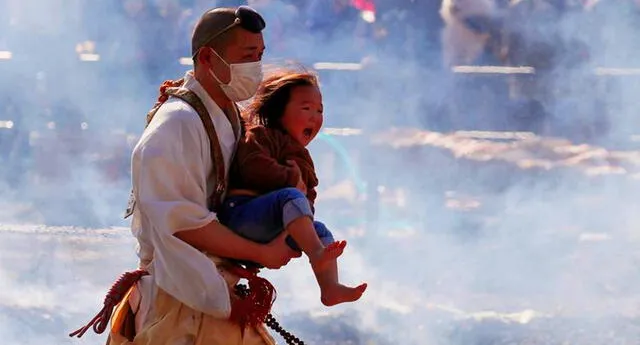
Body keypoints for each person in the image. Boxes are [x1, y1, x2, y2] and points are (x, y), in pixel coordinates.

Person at [70, 6, 302, 345]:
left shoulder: (230, 117)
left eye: (260, 55)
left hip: (215, 291)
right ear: (208, 57)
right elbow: (183, 223)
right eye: (247, 56)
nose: (256, 67)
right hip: (178, 301)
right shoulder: (176, 123)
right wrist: (261, 253)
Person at [219, 71, 367, 307]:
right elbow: (252, 166)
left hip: (274, 228)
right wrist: (290, 179)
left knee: (320, 231)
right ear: (279, 111)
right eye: (306, 109)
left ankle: (329, 287)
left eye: (320, 111)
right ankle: (317, 254)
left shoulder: (303, 158)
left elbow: (308, 198)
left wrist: (302, 201)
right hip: (242, 215)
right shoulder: (261, 136)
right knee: (291, 196)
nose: (315, 117)